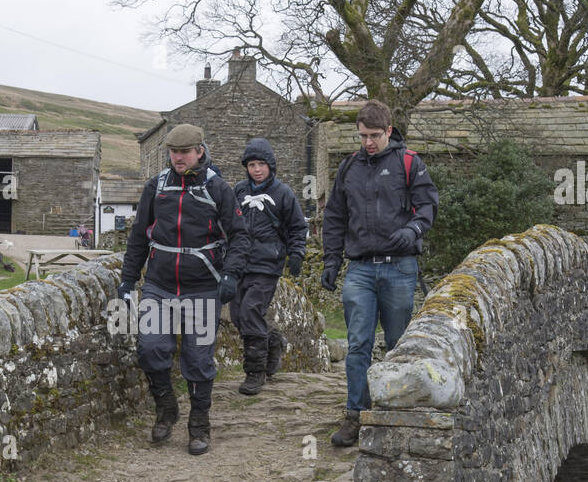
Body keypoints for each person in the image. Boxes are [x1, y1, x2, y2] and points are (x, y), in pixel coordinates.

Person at [119, 124, 248, 455]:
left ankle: (199, 425)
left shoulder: (218, 189)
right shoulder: (156, 187)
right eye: (174, 153)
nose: (179, 158)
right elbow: (137, 236)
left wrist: (231, 275)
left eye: (185, 152)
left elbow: (239, 236)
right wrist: (127, 280)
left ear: (199, 151)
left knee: (199, 358)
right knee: (149, 349)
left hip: (203, 287)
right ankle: (166, 409)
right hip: (159, 286)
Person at [321, 100, 438, 447]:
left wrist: (414, 230)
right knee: (358, 343)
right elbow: (335, 217)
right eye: (362, 136)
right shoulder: (348, 167)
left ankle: (395, 410)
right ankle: (355, 414)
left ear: (389, 131)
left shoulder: (409, 163)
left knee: (399, 342)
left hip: (400, 268)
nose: (368, 142)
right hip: (359, 268)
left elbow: (428, 204)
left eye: (374, 135)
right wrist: (331, 260)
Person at [230, 137, 307, 395]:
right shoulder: (239, 191)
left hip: (267, 263)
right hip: (240, 263)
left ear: (271, 166)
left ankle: (255, 373)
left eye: (261, 164)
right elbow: (227, 223)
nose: (257, 169)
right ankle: (273, 340)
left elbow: (298, 226)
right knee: (237, 314)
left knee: (251, 310)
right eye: (252, 164)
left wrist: (296, 254)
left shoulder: (283, 193)